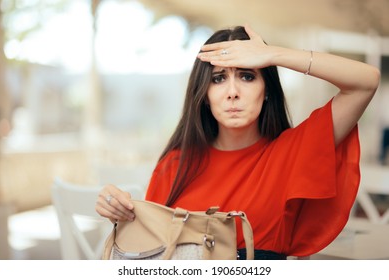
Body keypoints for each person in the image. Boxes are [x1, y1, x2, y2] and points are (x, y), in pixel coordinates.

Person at [95, 25, 380, 259]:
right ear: (204, 95)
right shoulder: (176, 163)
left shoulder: (292, 151)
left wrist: (274, 55)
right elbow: (151, 252)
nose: (232, 92)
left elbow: (365, 82)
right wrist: (121, 213)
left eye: (247, 75)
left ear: (267, 90)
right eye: (218, 79)